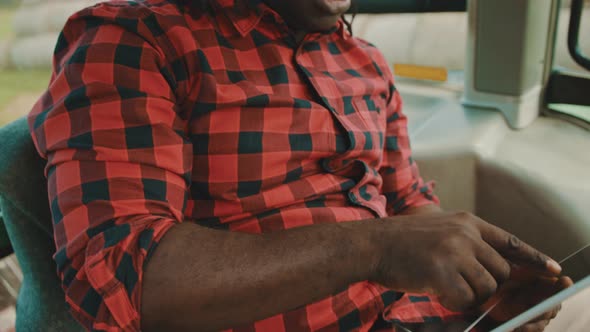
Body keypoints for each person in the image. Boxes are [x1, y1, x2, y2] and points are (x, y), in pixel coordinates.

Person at [27, 0, 569, 331]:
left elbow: (407, 203)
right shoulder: (135, 40)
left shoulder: (367, 62)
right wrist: (375, 248)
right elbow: (124, 280)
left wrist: (478, 286)